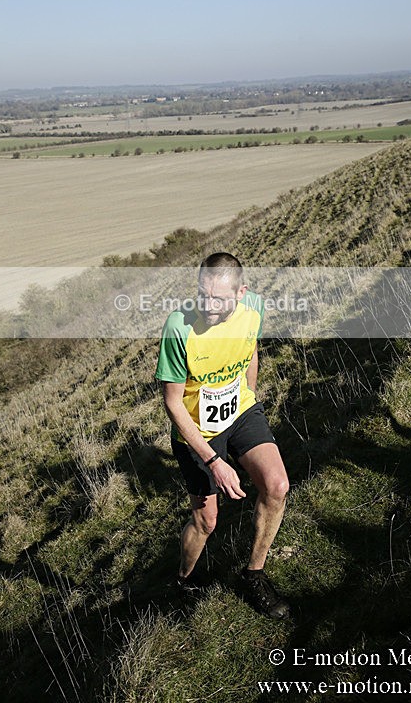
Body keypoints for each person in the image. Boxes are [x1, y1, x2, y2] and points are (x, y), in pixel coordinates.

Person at [155, 252, 290, 619]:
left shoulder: (254, 309)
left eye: (218, 299)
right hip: (196, 431)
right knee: (207, 521)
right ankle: (183, 580)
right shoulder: (179, 328)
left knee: (277, 486)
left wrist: (249, 397)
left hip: (240, 409)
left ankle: (253, 575)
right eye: (202, 295)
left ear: (241, 292)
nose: (208, 306)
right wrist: (215, 461)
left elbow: (250, 352)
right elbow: (172, 403)